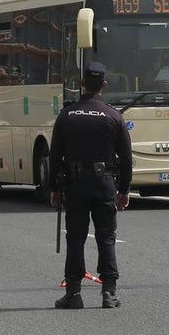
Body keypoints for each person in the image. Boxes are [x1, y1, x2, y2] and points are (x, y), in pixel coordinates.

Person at [49, 61, 133, 309]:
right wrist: (124, 190)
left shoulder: (67, 115)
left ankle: (73, 293)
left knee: (75, 238)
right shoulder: (114, 116)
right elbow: (126, 158)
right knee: (106, 237)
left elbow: (54, 156)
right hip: (104, 183)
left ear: (82, 84)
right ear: (104, 85)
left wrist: (54, 188)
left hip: (75, 184)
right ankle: (109, 292)